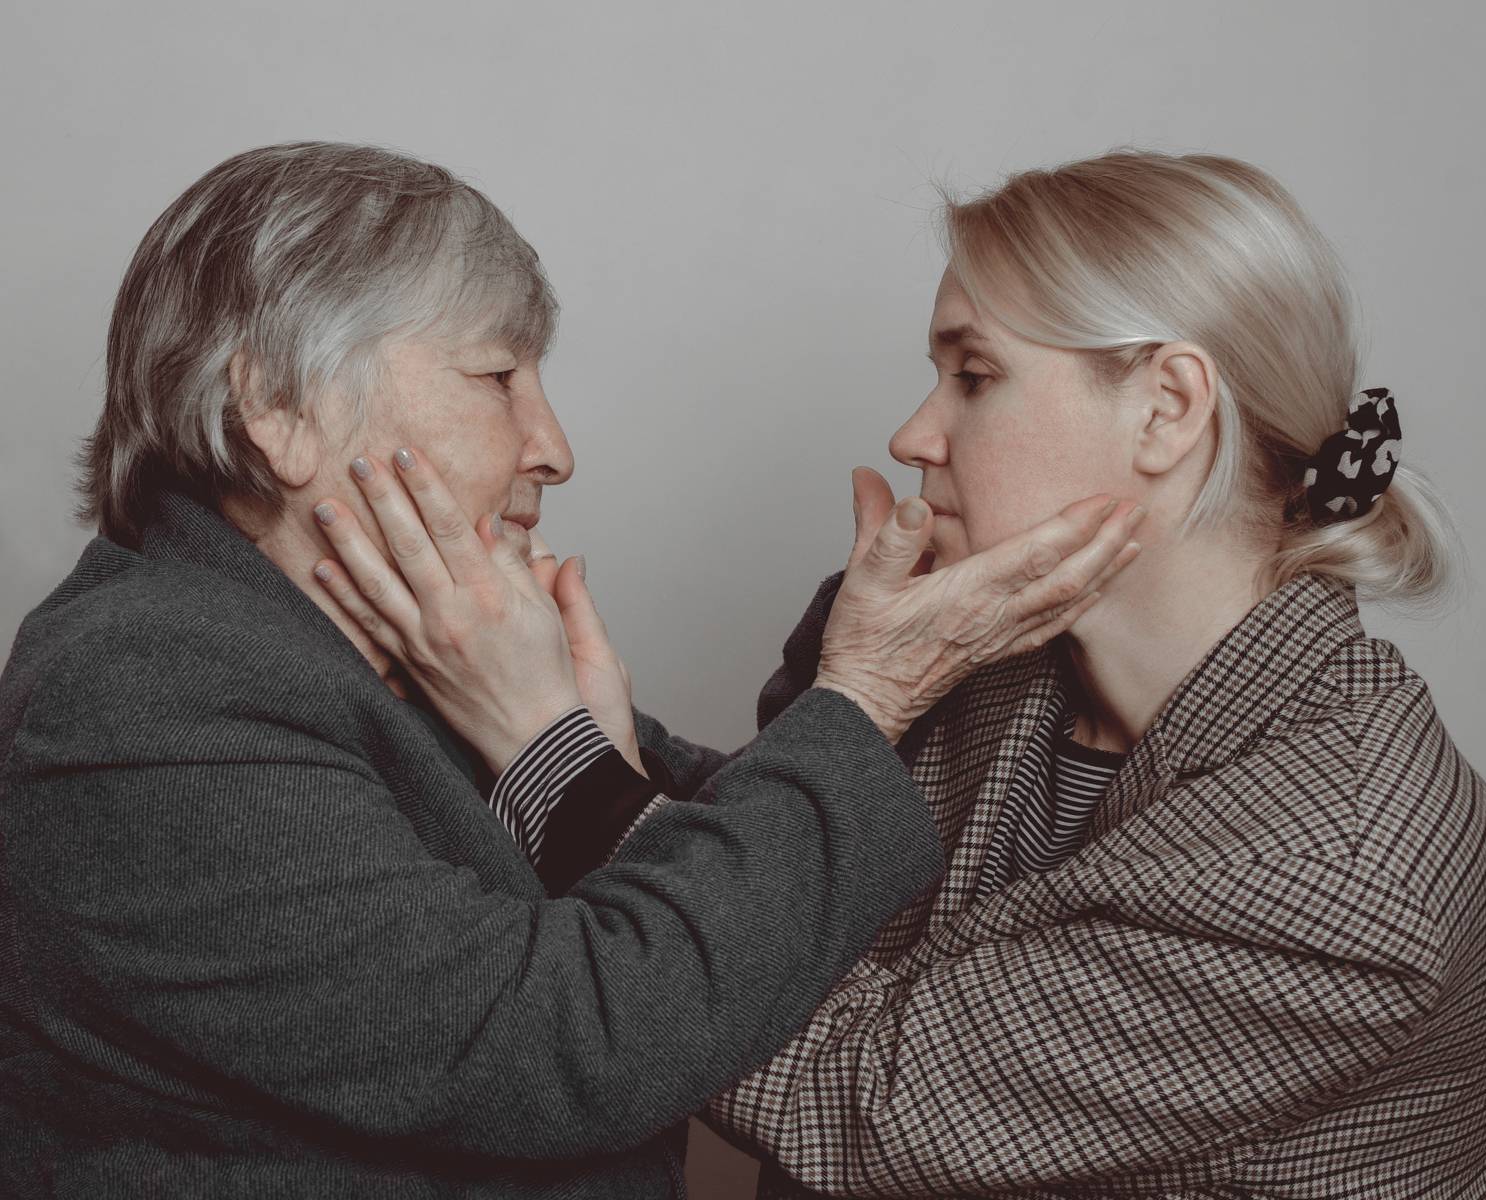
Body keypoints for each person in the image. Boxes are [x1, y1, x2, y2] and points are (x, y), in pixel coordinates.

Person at [321, 149, 1486, 1198]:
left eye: (974, 376)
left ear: (1167, 409)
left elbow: (856, 1101)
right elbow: (779, 875)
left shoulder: (1342, 874)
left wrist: (552, 754)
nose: (914, 435)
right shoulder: (997, 658)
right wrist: (595, 728)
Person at [0, 142, 1140, 1199]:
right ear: (278, 408)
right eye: (499, 375)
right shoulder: (141, 688)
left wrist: (589, 751)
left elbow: (722, 857)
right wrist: (868, 692)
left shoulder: (387, 647)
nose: (554, 449)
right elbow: (572, 1048)